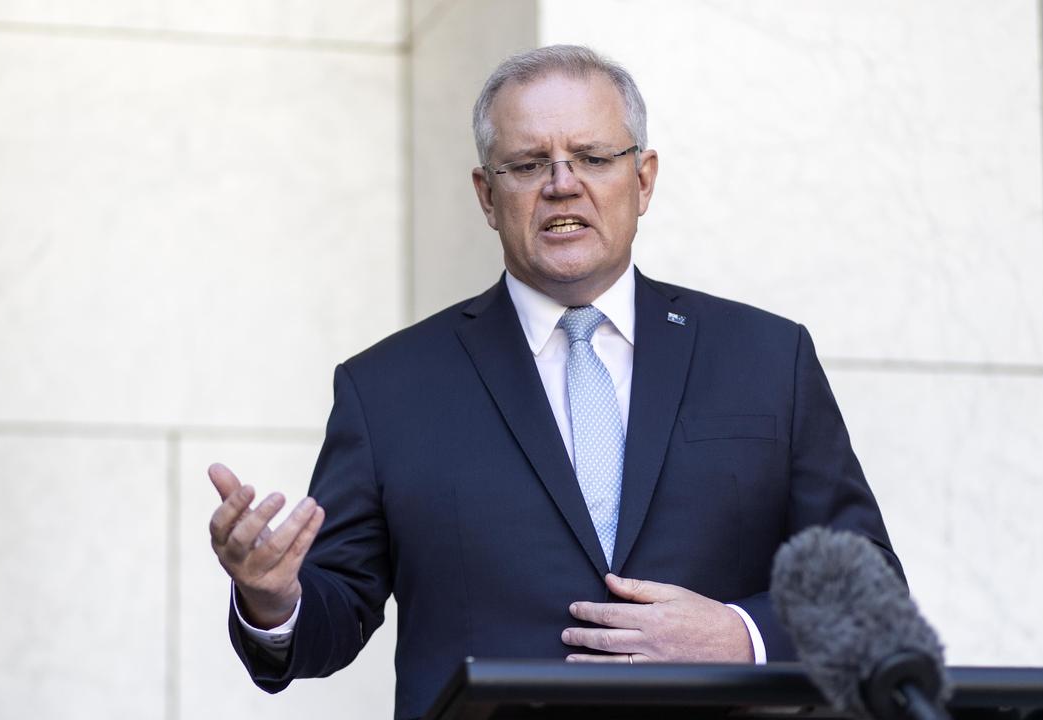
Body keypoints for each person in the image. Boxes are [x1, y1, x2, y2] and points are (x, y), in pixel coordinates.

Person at [207, 45, 901, 720]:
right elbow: (333, 612)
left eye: (594, 158)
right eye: (528, 163)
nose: (562, 183)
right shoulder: (387, 389)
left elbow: (868, 589)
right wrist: (273, 600)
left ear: (644, 179)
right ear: (487, 194)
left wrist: (739, 637)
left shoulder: (766, 358)